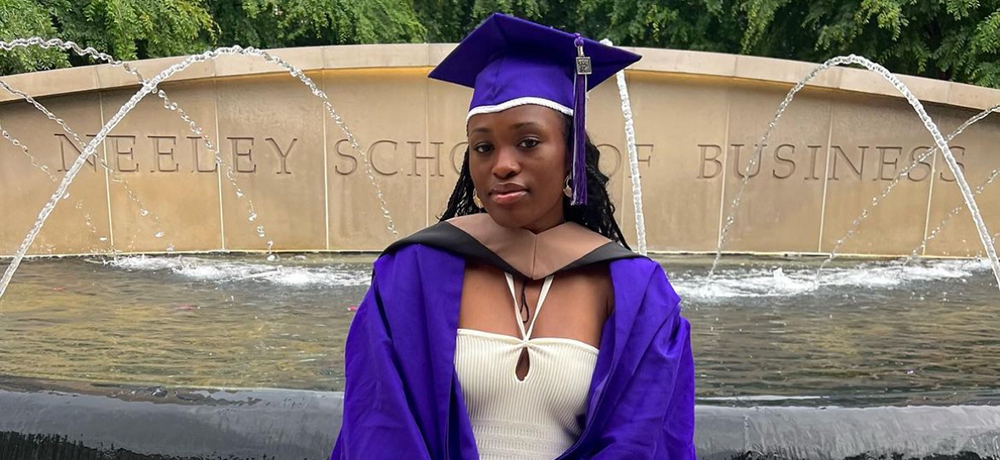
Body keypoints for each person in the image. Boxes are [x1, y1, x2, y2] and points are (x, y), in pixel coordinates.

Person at [332, 13, 695, 460]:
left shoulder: (637, 292)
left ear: (570, 155)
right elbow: (379, 425)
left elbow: (646, 438)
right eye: (483, 147)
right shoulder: (412, 273)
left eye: (527, 142)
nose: (501, 164)